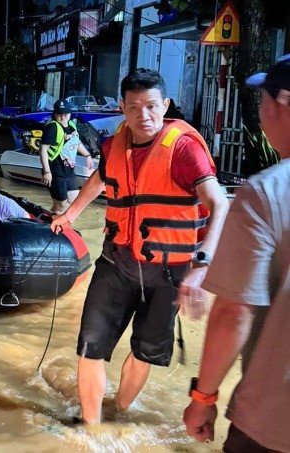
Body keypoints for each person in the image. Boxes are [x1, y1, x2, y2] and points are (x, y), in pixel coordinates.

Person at [50, 68, 229, 424]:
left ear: (165, 105)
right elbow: (101, 178)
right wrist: (69, 214)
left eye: (151, 106)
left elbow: (220, 204)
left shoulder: (183, 150)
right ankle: (91, 430)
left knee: (144, 352)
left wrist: (202, 265)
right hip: (116, 261)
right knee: (90, 347)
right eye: (133, 107)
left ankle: (117, 411)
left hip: (168, 270)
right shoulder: (114, 143)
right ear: (122, 107)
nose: (142, 116)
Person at [183, 54, 290, 452]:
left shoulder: (265, 193)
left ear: (282, 102)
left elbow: (233, 313)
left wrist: (203, 399)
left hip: (273, 422)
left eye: (262, 98)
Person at [39, 99, 94, 215]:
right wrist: (47, 172)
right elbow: (43, 150)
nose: (63, 116)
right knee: (60, 206)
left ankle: (60, 225)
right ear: (55, 114)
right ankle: (49, 226)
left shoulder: (72, 125)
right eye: (60, 114)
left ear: (70, 113)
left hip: (69, 171)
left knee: (74, 203)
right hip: (55, 171)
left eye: (66, 113)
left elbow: (77, 143)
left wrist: (87, 155)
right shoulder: (52, 128)